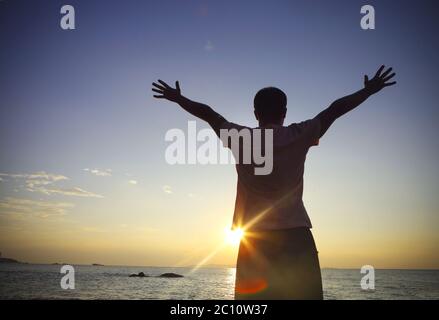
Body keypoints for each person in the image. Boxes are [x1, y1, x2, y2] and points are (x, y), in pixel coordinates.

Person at [151, 65, 396, 299]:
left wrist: (179, 99)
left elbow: (209, 115)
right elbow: (334, 109)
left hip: (255, 241)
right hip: (296, 238)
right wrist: (367, 90)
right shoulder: (299, 134)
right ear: (285, 112)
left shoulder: (241, 138)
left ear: (255, 113)